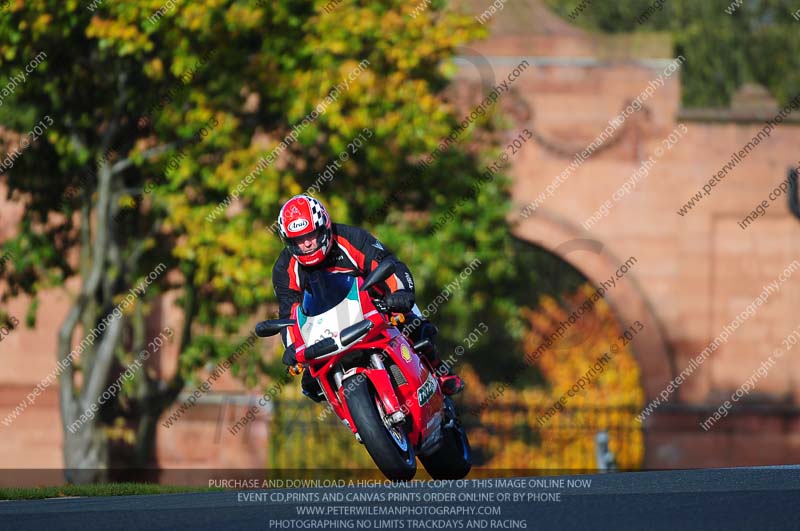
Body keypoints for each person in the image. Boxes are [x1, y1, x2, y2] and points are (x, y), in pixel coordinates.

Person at [271, 194, 464, 402]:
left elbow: (389, 264)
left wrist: (400, 294)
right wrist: (292, 346)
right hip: (324, 330)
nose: (307, 244)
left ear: (324, 227)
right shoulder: (284, 269)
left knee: (416, 326)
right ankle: (356, 419)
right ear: (288, 242)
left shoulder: (351, 238)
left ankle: (441, 371)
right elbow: (288, 311)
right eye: (299, 240)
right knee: (311, 383)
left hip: (371, 308)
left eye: (311, 235)